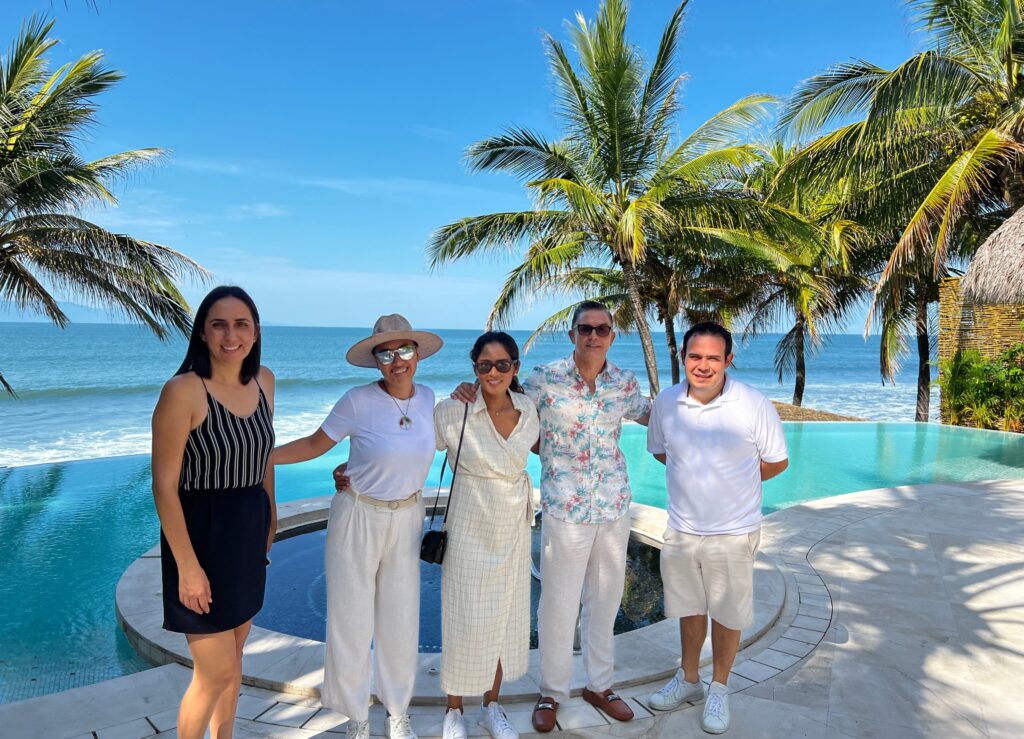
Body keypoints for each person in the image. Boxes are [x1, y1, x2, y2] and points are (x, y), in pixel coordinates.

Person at [452, 301, 651, 732]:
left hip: (615, 505)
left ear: (612, 336)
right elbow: (501, 400)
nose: (593, 336)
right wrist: (465, 390)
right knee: (558, 605)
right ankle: (552, 692)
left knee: (605, 602)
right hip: (564, 508)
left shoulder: (624, 382)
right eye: (585, 329)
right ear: (572, 334)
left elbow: (653, 415)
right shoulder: (544, 380)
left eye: (601, 329)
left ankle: (601, 685)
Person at [273, 314, 442, 739]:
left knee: (401, 618)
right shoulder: (357, 400)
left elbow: (424, 445)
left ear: (417, 353)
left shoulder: (428, 398)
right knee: (350, 619)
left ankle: (397, 713)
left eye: (404, 350)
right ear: (376, 360)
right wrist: (262, 456)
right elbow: (316, 443)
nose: (396, 360)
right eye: (386, 353)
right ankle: (357, 717)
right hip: (358, 514)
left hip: (407, 516)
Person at [645, 322, 789, 734]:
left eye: (712, 358)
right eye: (695, 356)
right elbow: (662, 453)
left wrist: (736, 479)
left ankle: (719, 687)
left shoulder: (752, 404)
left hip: (734, 530)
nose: (703, 365)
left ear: (728, 360)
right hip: (682, 528)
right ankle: (689, 679)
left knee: (727, 613)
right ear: (683, 358)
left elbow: (777, 461)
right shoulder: (666, 403)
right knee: (690, 609)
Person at [152, 285, 276, 739]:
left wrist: (272, 517)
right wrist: (187, 568)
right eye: (218, 324)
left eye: (241, 323)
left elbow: (266, 454)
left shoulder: (265, 382)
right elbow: (164, 486)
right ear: (202, 333)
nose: (231, 335)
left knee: (236, 657)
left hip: (247, 532)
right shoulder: (183, 391)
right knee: (213, 673)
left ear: (255, 330)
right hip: (200, 537)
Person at [434, 332, 540, 739]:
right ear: (473, 367)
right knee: (462, 616)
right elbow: (408, 450)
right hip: (468, 523)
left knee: (507, 616)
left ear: (515, 368)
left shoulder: (529, 408)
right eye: (484, 365)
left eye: (501, 364)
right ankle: (454, 710)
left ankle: (490, 706)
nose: (492, 372)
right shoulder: (451, 410)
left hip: (512, 522)